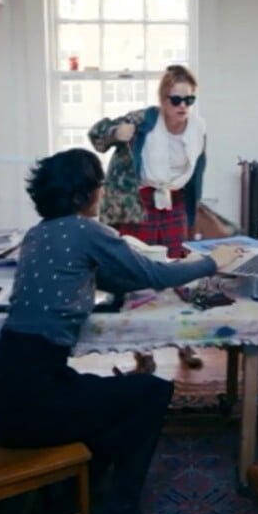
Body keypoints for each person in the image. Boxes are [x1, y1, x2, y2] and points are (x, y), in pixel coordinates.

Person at [0, 148, 244, 514]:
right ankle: (119, 513)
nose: (103, 191)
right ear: (81, 194)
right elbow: (153, 274)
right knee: (152, 391)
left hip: (7, 393)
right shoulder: (86, 231)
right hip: (37, 402)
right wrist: (213, 261)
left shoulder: (37, 235)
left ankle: (78, 493)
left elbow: (109, 277)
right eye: (100, 184)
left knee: (111, 398)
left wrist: (143, 279)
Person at [88, 64, 208, 369]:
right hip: (138, 202)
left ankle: (185, 343)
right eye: (176, 99)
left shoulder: (198, 129)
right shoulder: (144, 120)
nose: (182, 106)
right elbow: (96, 135)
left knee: (179, 271)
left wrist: (194, 210)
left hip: (174, 201)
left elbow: (196, 172)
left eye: (189, 99)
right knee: (138, 272)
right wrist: (116, 133)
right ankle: (143, 353)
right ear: (163, 99)